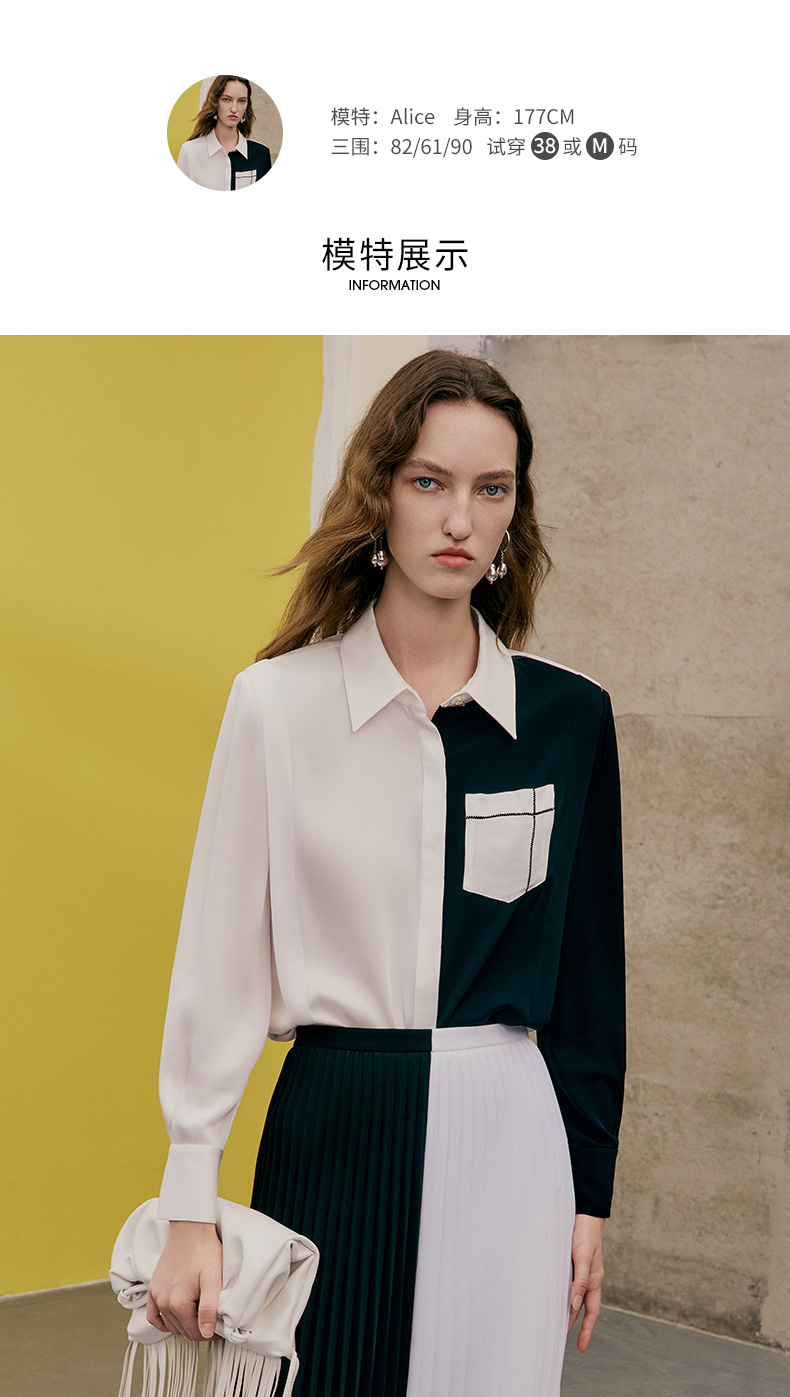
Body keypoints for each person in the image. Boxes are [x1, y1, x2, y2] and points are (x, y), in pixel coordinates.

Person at [146, 350, 626, 1397]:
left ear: (515, 514)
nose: (459, 518)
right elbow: (219, 963)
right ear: (380, 494)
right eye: (428, 481)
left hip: (511, 1140)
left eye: (490, 489)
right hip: (333, 1123)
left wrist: (588, 1193)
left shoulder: (568, 718)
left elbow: (590, 986)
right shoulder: (277, 707)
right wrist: (190, 1202)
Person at [176, 75, 272, 191]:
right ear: (215, 102)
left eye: (241, 101)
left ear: (247, 106)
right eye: (227, 99)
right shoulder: (190, 152)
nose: (234, 109)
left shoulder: (261, 154)